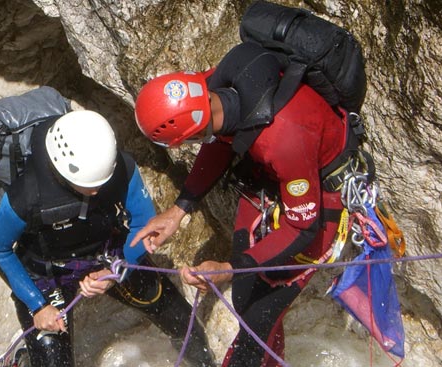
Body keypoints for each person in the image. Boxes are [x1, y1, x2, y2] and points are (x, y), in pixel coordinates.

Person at [130, 42, 353, 366]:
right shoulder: (211, 87)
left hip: (315, 199)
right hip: (268, 179)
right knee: (245, 295)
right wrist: (179, 210)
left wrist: (229, 268)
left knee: (259, 318)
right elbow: (219, 137)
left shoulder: (282, 139)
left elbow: (302, 226)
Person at [0, 109, 215, 367]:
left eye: (102, 182)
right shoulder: (26, 195)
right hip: (47, 273)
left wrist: (113, 271)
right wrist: (38, 306)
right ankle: (24, 359)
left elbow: (143, 222)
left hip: (108, 256)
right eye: (89, 185)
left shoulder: (120, 168)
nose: (97, 190)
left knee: (185, 323)